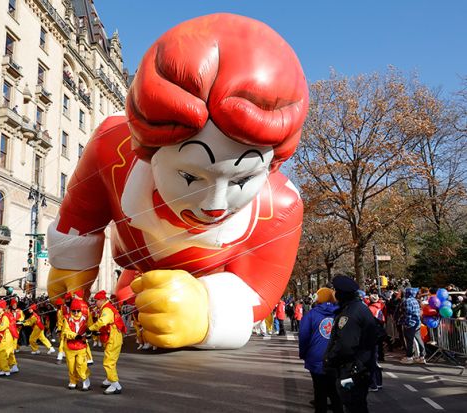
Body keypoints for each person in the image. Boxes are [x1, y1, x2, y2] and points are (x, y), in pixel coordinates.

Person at [47, 14, 308, 351]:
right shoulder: (110, 148)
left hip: (207, 275)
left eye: (242, 179)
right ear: (148, 151)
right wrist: (72, 263)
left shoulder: (282, 207)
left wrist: (208, 310)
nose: (215, 206)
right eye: (190, 176)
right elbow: (81, 214)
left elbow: (257, 289)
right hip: (136, 274)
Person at [324, 276, 378, 413]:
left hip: (352, 369)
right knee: (356, 403)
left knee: (352, 401)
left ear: (341, 294)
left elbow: (346, 345)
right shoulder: (359, 308)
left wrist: (330, 358)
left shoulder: (350, 314)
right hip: (360, 366)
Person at [299, 288, 342, 413]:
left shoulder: (311, 315)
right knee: (334, 389)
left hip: (316, 357)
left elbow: (304, 337)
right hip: (334, 356)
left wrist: (303, 353)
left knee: (319, 390)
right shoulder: (339, 313)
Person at [89, 290, 126, 395]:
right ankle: (110, 379)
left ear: (101, 300)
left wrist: (91, 329)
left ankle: (115, 384)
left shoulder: (107, 309)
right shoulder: (107, 307)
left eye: (95, 300)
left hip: (113, 337)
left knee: (108, 362)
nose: (95, 303)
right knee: (110, 360)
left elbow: (102, 321)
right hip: (113, 336)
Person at [61, 299, 91, 390]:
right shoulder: (66, 318)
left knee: (81, 365)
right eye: (74, 311)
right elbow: (65, 331)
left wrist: (90, 334)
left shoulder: (86, 317)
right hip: (70, 345)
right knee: (71, 366)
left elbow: (90, 327)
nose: (76, 313)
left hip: (81, 345)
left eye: (78, 310)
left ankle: (85, 380)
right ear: (71, 310)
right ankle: (73, 381)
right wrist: (75, 336)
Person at [398, 287, 426, 364]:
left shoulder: (407, 301)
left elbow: (408, 313)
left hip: (410, 324)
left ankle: (409, 357)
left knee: (409, 341)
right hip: (417, 323)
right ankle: (422, 356)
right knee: (419, 339)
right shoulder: (415, 300)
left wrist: (406, 323)